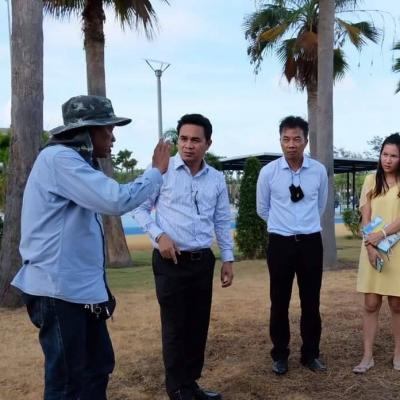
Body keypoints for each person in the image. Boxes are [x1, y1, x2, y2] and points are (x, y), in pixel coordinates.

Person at [11, 95, 171, 400]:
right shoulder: (60, 160)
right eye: (107, 129)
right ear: (87, 131)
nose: (113, 137)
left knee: (96, 369)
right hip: (59, 292)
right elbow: (116, 199)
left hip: (77, 291)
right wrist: (155, 172)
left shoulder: (75, 163)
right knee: (68, 383)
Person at [133, 113, 234, 400]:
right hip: (171, 263)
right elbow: (139, 208)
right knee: (175, 327)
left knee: (197, 326)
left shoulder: (216, 179)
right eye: (183, 139)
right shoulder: (160, 171)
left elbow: (222, 220)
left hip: (202, 262)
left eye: (195, 140)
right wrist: (159, 236)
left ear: (208, 144)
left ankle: (190, 384)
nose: (188, 145)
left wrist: (227, 258)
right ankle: (177, 390)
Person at [256, 116, 328, 375]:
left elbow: (320, 205)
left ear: (306, 141)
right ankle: (280, 355)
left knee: (311, 302)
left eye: (297, 139)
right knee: (279, 302)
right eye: (286, 139)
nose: (291, 144)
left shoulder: (318, 171)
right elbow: (262, 209)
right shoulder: (268, 172)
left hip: (310, 243)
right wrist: (284, 225)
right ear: (280, 141)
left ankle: (311, 354)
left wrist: (303, 225)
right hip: (280, 243)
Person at [353, 133, 400, 373]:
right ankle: (367, 356)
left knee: (397, 304)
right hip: (371, 247)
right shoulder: (371, 180)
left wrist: (381, 235)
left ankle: (398, 354)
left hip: (397, 250)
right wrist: (370, 247)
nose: (388, 160)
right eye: (385, 154)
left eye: (394, 156)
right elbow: (366, 217)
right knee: (370, 304)